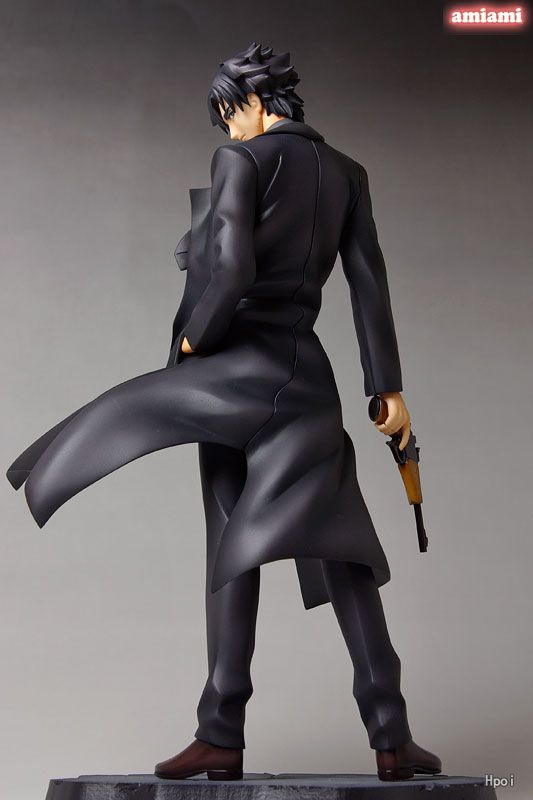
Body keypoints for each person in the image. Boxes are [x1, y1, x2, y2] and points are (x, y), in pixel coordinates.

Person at [6, 42, 442, 782]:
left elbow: (233, 268)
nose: (227, 130)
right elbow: (369, 281)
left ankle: (222, 731)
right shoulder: (347, 173)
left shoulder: (240, 160)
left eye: (228, 115)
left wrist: (191, 340)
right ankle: (390, 735)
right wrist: (387, 388)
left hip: (234, 376)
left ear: (253, 103)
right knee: (340, 549)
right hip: (305, 378)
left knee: (229, 545)